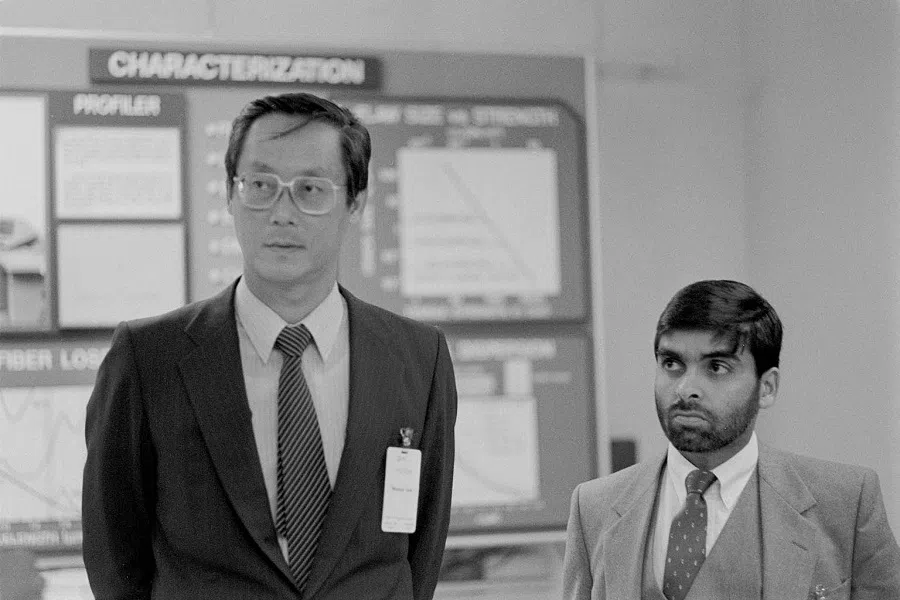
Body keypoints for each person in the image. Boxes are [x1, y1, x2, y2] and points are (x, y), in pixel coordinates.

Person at [82, 92, 457, 600]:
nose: (282, 212)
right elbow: (114, 556)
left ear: (355, 203)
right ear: (230, 196)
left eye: (310, 188)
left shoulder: (418, 358)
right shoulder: (148, 358)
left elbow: (421, 551)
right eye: (260, 185)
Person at [563, 280, 900, 600]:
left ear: (766, 387)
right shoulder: (594, 507)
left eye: (717, 367)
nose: (685, 388)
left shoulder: (845, 503)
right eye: (672, 363)